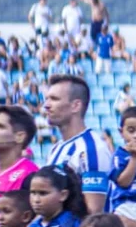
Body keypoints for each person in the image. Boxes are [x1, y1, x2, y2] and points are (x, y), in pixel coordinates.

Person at [43, 75, 114, 214]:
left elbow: (93, 213)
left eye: (54, 99)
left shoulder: (91, 149)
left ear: (75, 106)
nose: (46, 105)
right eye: (47, 99)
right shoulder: (56, 148)